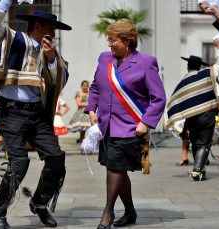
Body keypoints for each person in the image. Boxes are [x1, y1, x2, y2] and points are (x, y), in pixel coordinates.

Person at [0, 0, 72, 228]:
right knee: (19, 162)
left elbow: (59, 82)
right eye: (50, 28)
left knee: (56, 160)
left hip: (38, 115)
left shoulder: (50, 53)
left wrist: (51, 59)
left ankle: (39, 203)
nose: (53, 33)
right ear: (37, 26)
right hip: (12, 112)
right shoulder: (14, 39)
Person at [84, 19, 166, 229]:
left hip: (131, 127)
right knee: (117, 168)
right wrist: (92, 109)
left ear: (128, 41)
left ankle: (108, 213)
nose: (109, 44)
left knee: (115, 168)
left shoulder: (146, 62)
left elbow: (158, 98)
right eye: (109, 40)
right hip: (107, 126)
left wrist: (145, 122)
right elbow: (95, 87)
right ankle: (129, 212)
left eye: (114, 40)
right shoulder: (104, 59)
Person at [167, 52, 219, 181]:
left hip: (191, 118)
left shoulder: (184, 81)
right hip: (207, 115)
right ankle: (198, 170)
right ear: (200, 66)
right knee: (204, 144)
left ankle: (201, 169)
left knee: (195, 143)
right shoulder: (207, 75)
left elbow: (175, 100)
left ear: (188, 66)